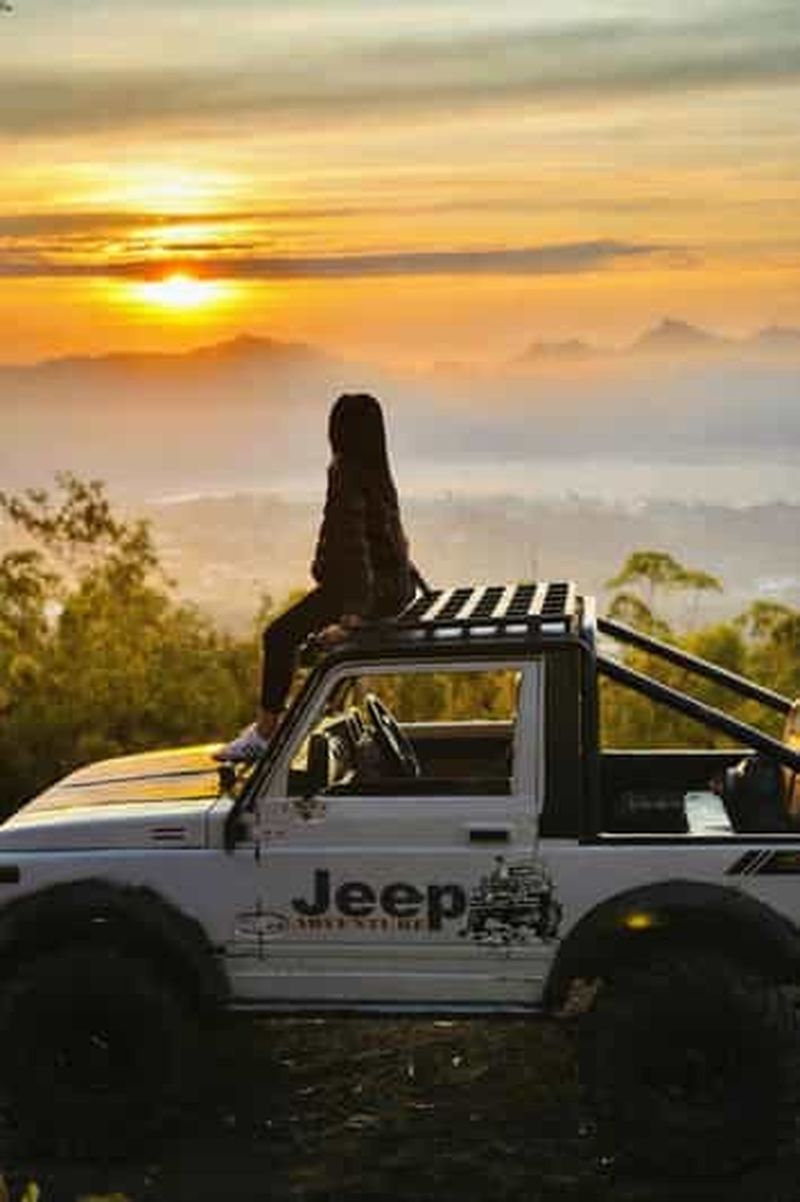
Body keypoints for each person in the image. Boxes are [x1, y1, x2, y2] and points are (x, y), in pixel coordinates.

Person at [216, 392, 419, 762]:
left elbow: (354, 544)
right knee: (304, 640)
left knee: (279, 637)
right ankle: (287, 724)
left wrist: (354, 617)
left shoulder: (345, 472)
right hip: (392, 590)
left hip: (357, 590)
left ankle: (264, 734)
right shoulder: (378, 470)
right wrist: (402, 584)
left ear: (339, 431)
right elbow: (392, 536)